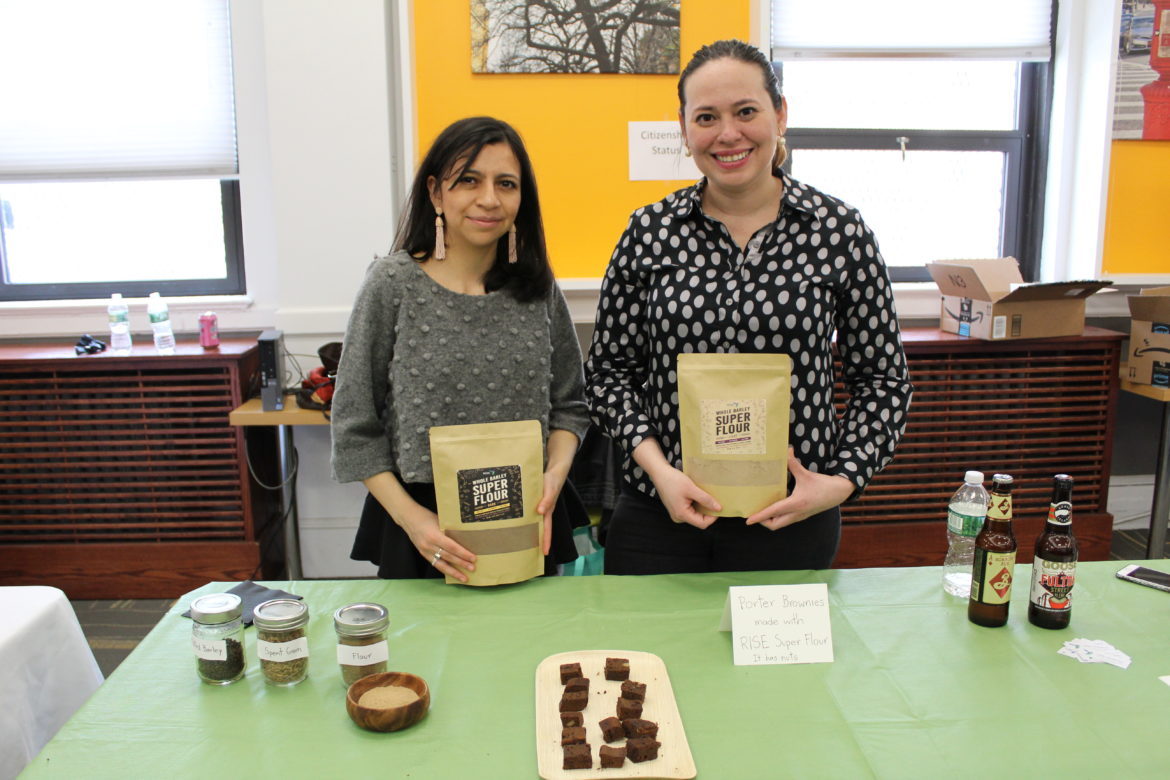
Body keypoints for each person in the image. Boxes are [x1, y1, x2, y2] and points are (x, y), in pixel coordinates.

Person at [585, 40, 913, 575]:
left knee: (781, 662)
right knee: (651, 658)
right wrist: (658, 470)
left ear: (780, 114)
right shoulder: (649, 232)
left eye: (746, 112)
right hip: (659, 515)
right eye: (707, 117)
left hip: (790, 518)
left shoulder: (839, 232)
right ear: (685, 128)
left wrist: (840, 482)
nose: (728, 134)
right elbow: (607, 375)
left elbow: (884, 380)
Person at [331, 116, 591, 582]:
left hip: (527, 516)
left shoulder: (537, 289)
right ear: (436, 192)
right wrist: (414, 521)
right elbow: (354, 427)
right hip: (422, 529)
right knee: (427, 656)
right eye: (468, 180)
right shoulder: (392, 285)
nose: (489, 199)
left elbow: (570, 406)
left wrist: (555, 476)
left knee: (529, 649)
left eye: (506, 184)